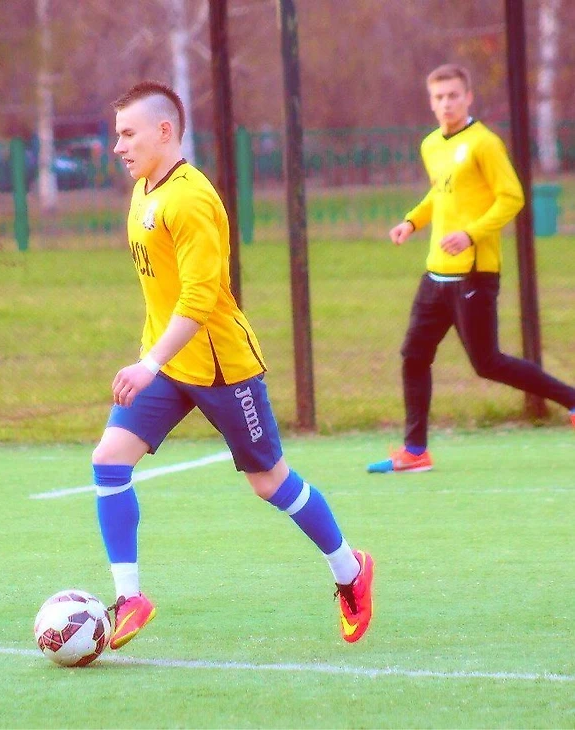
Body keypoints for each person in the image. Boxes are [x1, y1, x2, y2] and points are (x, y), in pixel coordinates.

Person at [92, 80, 374, 649]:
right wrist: (154, 359)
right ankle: (130, 598)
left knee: (269, 483)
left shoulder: (191, 200)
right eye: (116, 135)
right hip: (170, 364)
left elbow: (199, 300)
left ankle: (351, 570)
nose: (117, 146)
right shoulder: (144, 190)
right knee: (109, 460)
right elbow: (162, 293)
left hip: (222, 368)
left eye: (127, 134)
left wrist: (147, 364)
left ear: (164, 132)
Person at [368, 63, 575, 474]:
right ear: (431, 102)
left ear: (468, 98)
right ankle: (415, 451)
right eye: (439, 97)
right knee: (414, 355)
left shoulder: (484, 143)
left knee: (487, 363)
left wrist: (471, 234)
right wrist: (411, 222)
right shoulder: (431, 145)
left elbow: (511, 197)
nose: (446, 103)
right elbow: (440, 194)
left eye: (453, 95)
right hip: (436, 273)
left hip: (474, 274)